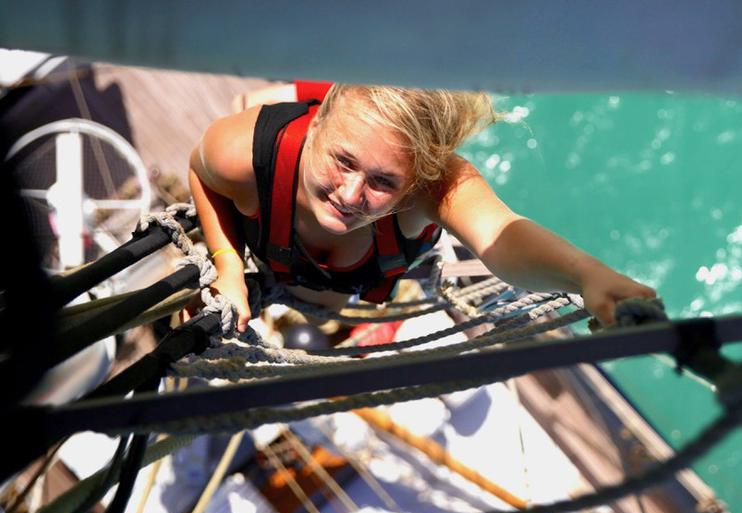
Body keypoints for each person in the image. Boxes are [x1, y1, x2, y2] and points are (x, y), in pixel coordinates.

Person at [190, 82, 655, 333]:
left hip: (335, 294)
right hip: (275, 253)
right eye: (343, 161)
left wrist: (585, 274)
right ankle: (289, 91)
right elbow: (199, 169)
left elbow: (500, 235)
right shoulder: (245, 151)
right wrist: (227, 264)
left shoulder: (431, 184)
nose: (351, 196)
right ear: (317, 125)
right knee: (253, 105)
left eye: (383, 182)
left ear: (417, 181)